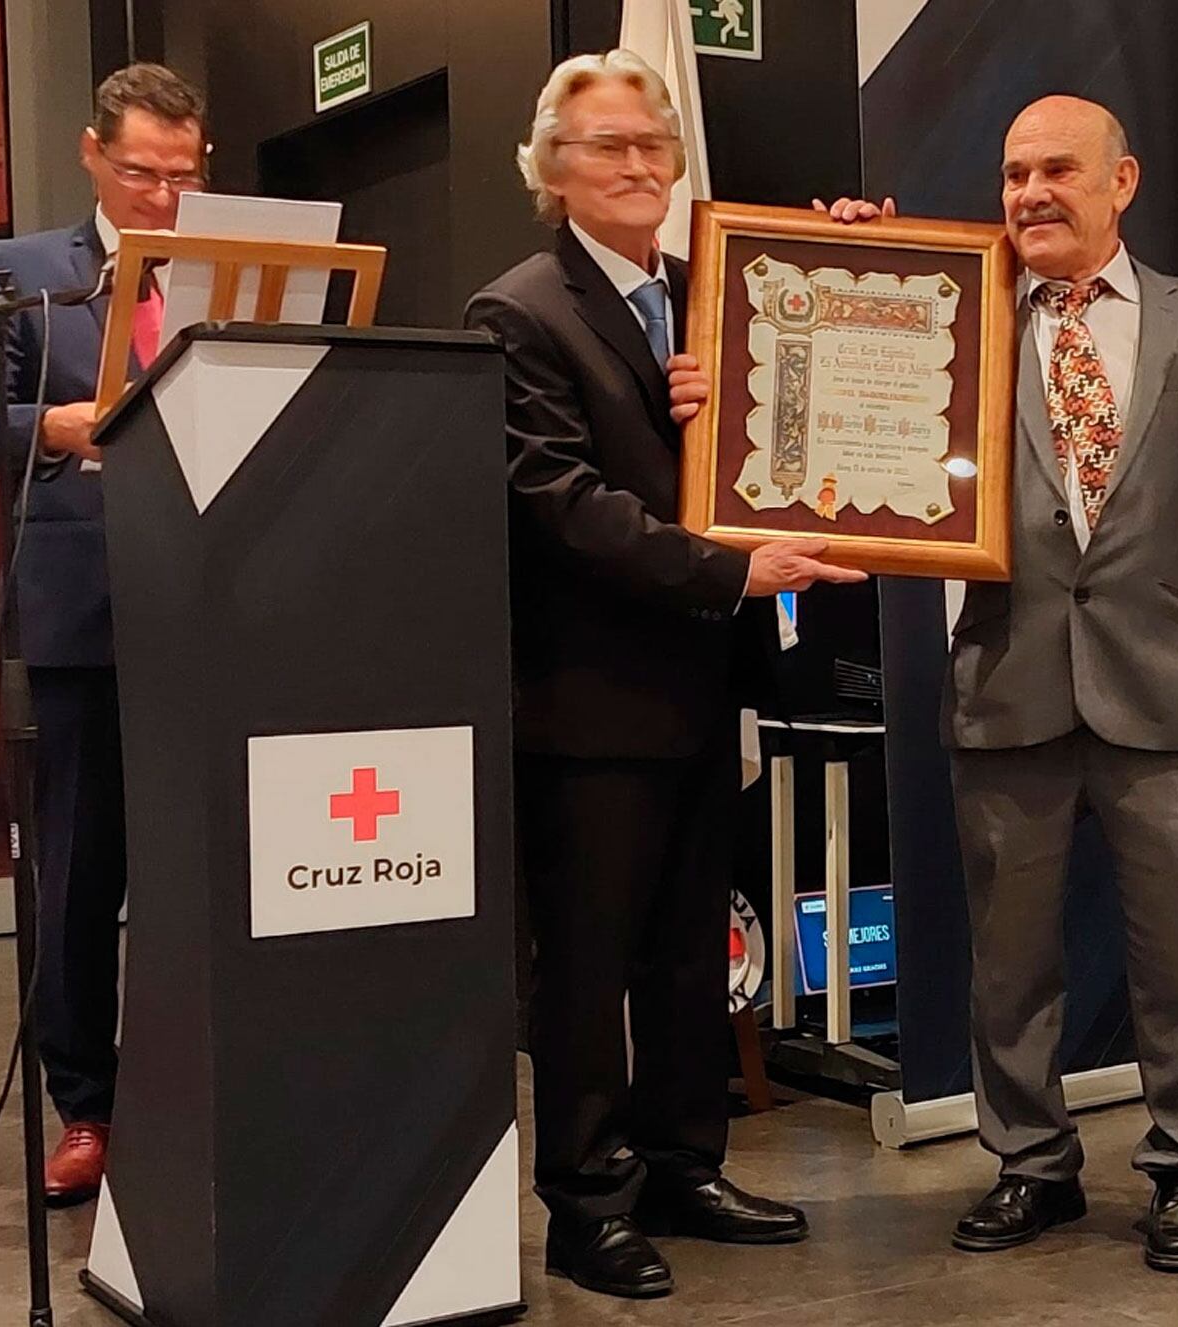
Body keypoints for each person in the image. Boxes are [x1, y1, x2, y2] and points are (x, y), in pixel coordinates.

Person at [829, 94, 1178, 1273]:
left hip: (1162, 693)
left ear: (1123, 182)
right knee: (1009, 962)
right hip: (1007, 683)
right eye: (1014, 174)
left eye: (1057, 170)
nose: (1028, 194)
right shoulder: (951, 310)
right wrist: (855, 261)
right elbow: (855, 374)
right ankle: (1032, 1166)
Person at [464, 51, 862, 1301]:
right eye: (607, 147)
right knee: (585, 969)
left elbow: (799, 387)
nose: (638, 166)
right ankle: (589, 1203)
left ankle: (688, 1163)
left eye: (655, 145)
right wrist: (730, 571)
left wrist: (854, 262)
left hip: (703, 689)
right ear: (550, 169)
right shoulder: (518, 311)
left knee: (691, 953)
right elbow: (556, 503)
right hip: (585, 703)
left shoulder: (708, 295)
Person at [0, 62, 209, 1206]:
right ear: (91, 154)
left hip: (221, 613)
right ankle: (87, 1108)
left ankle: (199, 1092)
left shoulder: (243, 270)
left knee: (209, 872)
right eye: (141, 173)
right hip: (85, 613)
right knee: (78, 879)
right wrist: (60, 425)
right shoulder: (26, 276)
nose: (165, 197)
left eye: (183, 173)